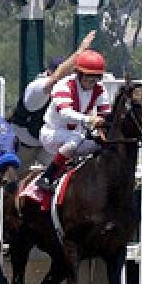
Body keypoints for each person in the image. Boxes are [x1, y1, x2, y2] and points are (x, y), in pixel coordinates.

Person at [9, 31, 96, 171]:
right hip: (24, 145)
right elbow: (55, 79)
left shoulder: (70, 90)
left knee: (67, 169)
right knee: (12, 184)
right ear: (49, 72)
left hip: (47, 144)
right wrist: (80, 52)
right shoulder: (37, 87)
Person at [37, 49, 110, 192]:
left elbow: (105, 115)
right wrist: (89, 119)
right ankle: (47, 177)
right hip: (51, 134)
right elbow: (65, 113)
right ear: (79, 73)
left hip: (75, 136)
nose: (92, 81)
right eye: (89, 76)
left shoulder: (100, 89)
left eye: (96, 77)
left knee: (104, 144)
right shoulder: (63, 85)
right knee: (75, 138)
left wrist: (102, 131)